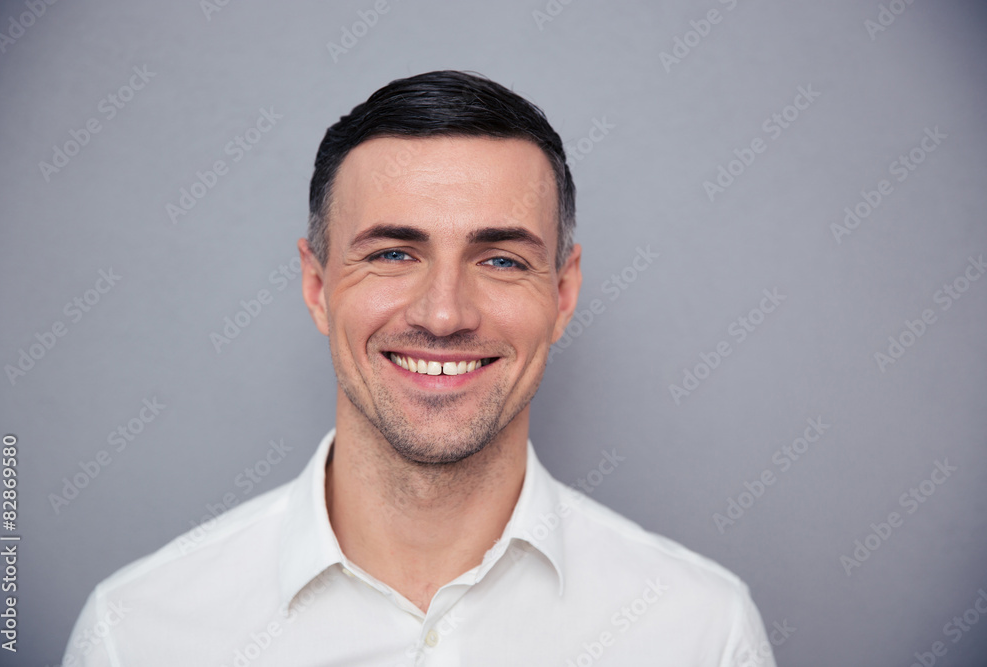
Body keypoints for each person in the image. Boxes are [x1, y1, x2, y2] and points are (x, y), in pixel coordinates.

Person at [63, 70, 777, 667]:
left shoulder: (701, 633)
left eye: (500, 259)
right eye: (393, 253)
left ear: (563, 293)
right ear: (317, 286)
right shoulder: (136, 634)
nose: (443, 315)